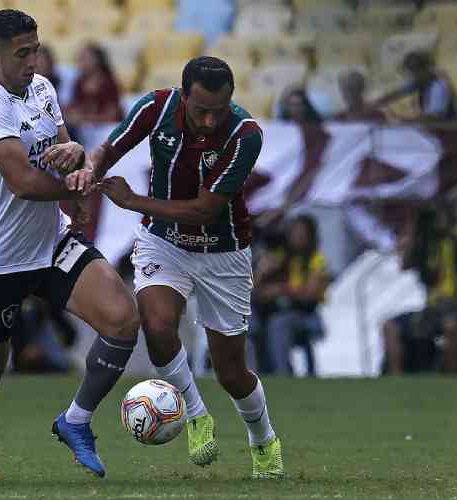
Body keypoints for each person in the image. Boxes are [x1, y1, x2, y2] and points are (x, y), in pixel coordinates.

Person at [0, 9, 139, 481]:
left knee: (123, 320)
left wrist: (77, 163)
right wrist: (77, 189)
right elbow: (23, 182)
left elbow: (64, 152)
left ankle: (76, 420)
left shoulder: (42, 89)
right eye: (22, 53)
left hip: (50, 243)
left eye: (36, 49)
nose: (32, 60)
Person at [93, 56, 284, 479]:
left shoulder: (245, 134)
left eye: (221, 108)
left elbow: (204, 210)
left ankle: (264, 441)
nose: (211, 119)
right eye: (201, 110)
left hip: (224, 252)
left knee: (231, 372)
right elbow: (109, 148)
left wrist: (133, 202)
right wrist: (86, 175)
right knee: (158, 327)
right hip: (164, 243)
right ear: (183, 96)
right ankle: (196, 416)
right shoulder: (155, 108)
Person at [382, 203, 457, 375]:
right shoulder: (426, 247)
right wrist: (417, 233)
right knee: (390, 326)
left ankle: (452, 379)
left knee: (450, 326)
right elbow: (404, 264)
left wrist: (446, 232)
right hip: (434, 310)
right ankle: (396, 380)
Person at [253, 214, 329, 376]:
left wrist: (280, 289)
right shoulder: (281, 256)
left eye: (302, 233)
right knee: (250, 321)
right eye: (294, 232)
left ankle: (282, 373)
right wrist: (261, 272)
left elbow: (310, 294)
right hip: (275, 310)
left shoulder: (316, 259)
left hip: (306, 315)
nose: (298, 237)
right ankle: (254, 373)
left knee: (279, 323)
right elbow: (254, 291)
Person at [371, 51, 457, 122]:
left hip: (447, 131)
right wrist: (373, 105)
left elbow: (432, 118)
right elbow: (397, 93)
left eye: (413, 73)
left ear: (424, 69)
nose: (411, 77)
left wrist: (401, 119)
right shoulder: (421, 81)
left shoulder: (438, 86)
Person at [64, 43, 123, 127]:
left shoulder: (108, 82)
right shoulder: (79, 81)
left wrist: (85, 118)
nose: (80, 62)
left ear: (97, 60)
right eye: (79, 59)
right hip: (86, 130)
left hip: (107, 130)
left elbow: (112, 115)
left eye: (84, 58)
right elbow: (74, 107)